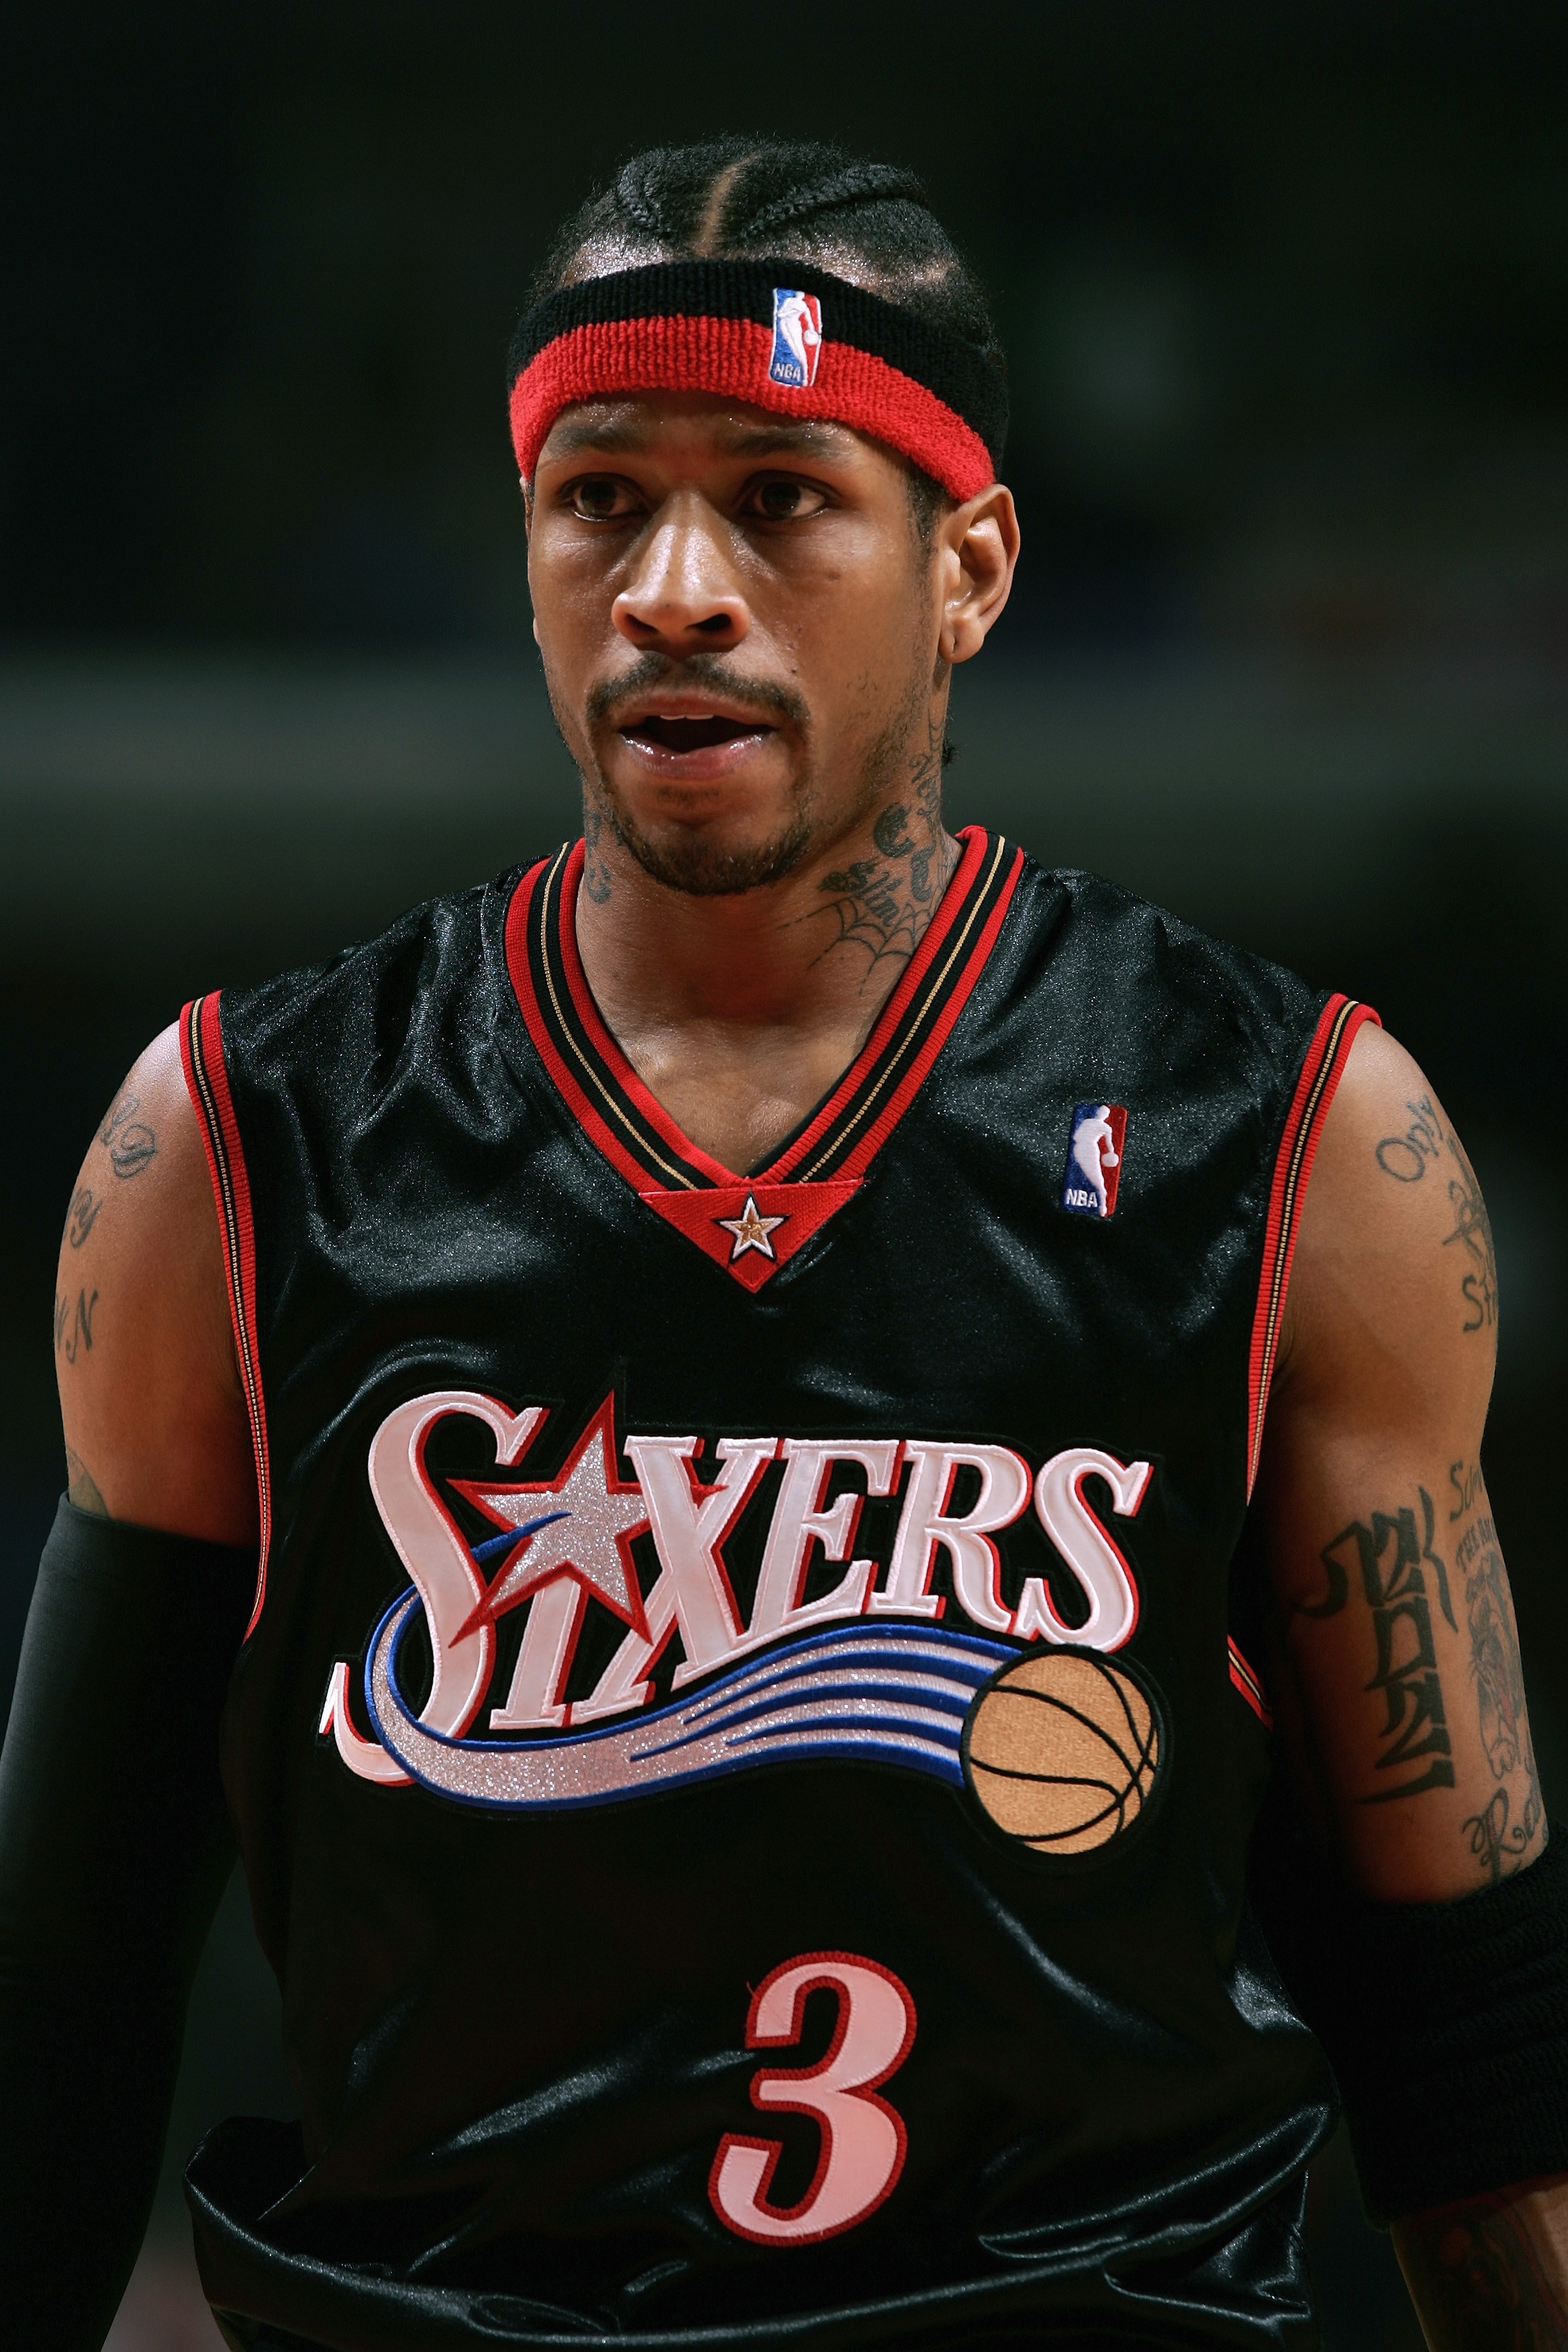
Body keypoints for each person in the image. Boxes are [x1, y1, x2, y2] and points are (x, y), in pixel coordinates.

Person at [3, 135, 1566, 2352]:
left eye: (778, 496)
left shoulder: (1293, 1130)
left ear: (971, 567)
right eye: (599, 499)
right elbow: (57, 2000)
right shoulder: (236, 1142)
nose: (673, 586)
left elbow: (1467, 2017)